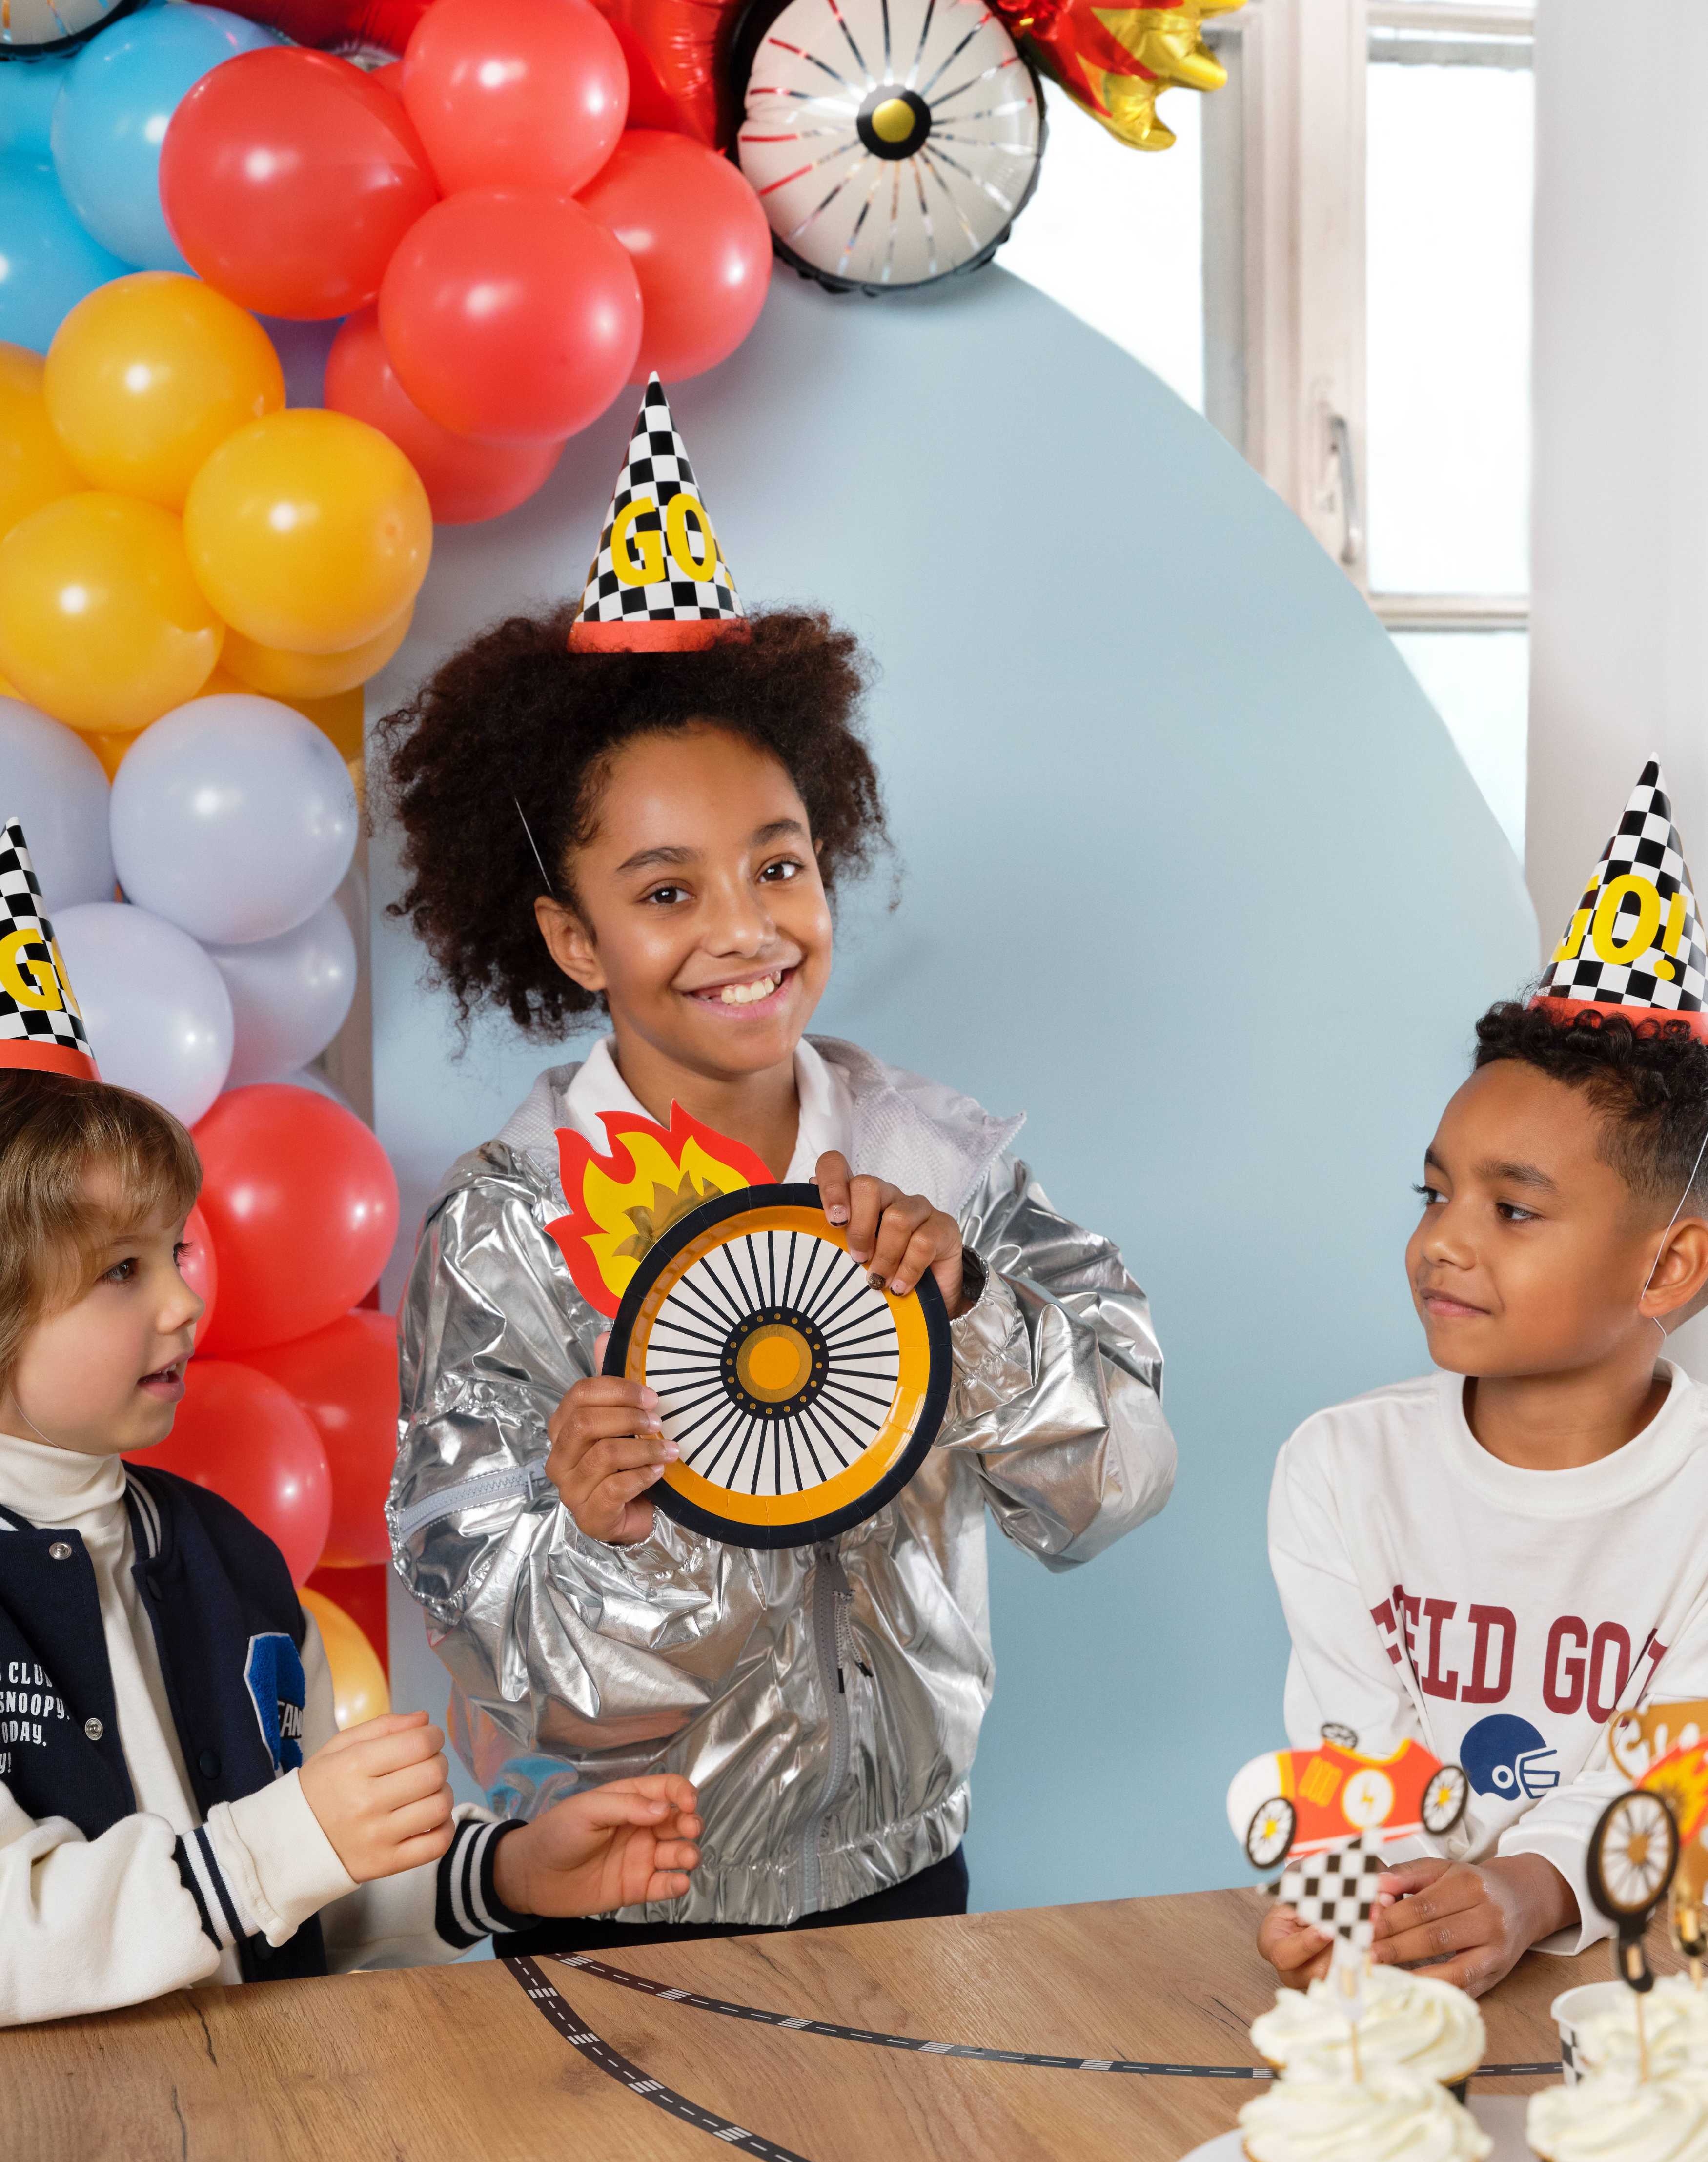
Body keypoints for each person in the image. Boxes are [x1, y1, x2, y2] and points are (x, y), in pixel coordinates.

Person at [385, 379, 1176, 1947]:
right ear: (570, 936)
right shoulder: (514, 1227)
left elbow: (1117, 1485)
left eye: (778, 864)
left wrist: (967, 1312)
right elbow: (516, 1661)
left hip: (910, 1884)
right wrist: (621, 1526)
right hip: (622, 1896)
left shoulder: (936, 1163)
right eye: (665, 891)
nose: (745, 929)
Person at [0, 820, 701, 2027]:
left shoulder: (222, 1557)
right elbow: (27, 1940)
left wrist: (506, 1871)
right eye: (121, 1272)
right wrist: (279, 1849)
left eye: (176, 1250)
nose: (185, 1298)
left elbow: (301, 1886)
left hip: (265, 2135)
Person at [1258, 760, 1708, 1999]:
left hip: (1652, 1992)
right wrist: (1349, 1895)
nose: (1441, 1239)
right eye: (1434, 1191)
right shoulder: (1342, 1469)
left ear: (1667, 1265)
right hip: (1442, 1997)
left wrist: (1527, 1889)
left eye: (1513, 1208)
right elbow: (1349, 1751)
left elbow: (1678, 1771)